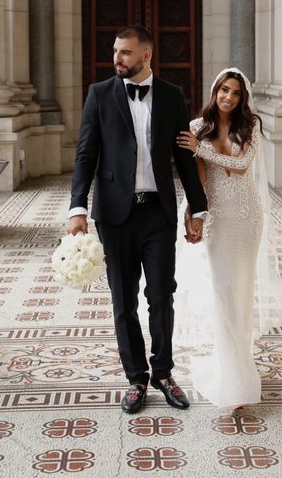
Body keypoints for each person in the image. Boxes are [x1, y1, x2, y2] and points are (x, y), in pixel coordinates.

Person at [67, 25, 207, 414]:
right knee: (122, 301)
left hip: (157, 212)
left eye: (125, 52)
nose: (117, 58)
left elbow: (182, 157)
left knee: (161, 296)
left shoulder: (172, 96)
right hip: (114, 215)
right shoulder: (99, 94)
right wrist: (77, 207)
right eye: (116, 51)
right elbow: (85, 155)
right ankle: (136, 378)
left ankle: (163, 372)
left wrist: (198, 209)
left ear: (146, 55)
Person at [176, 68, 279, 411]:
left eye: (235, 93)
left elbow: (241, 166)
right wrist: (193, 216)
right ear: (214, 90)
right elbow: (198, 179)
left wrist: (202, 151)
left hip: (247, 218)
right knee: (222, 294)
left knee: (241, 293)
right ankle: (230, 376)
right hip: (219, 219)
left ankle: (239, 367)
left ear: (241, 98)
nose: (228, 98)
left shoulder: (250, 127)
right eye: (224, 90)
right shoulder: (195, 129)